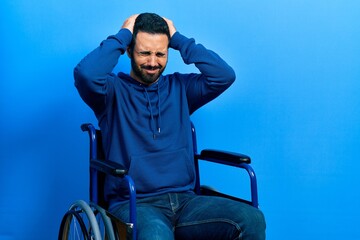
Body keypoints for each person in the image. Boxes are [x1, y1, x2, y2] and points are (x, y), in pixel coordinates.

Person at [74, 12, 266, 240]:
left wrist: (177, 38)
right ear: (128, 50)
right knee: (156, 235)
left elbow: (224, 75)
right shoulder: (111, 93)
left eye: (160, 54)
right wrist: (123, 34)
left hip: (186, 201)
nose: (153, 62)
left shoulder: (181, 88)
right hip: (135, 203)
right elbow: (86, 74)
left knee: (251, 219)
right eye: (144, 53)